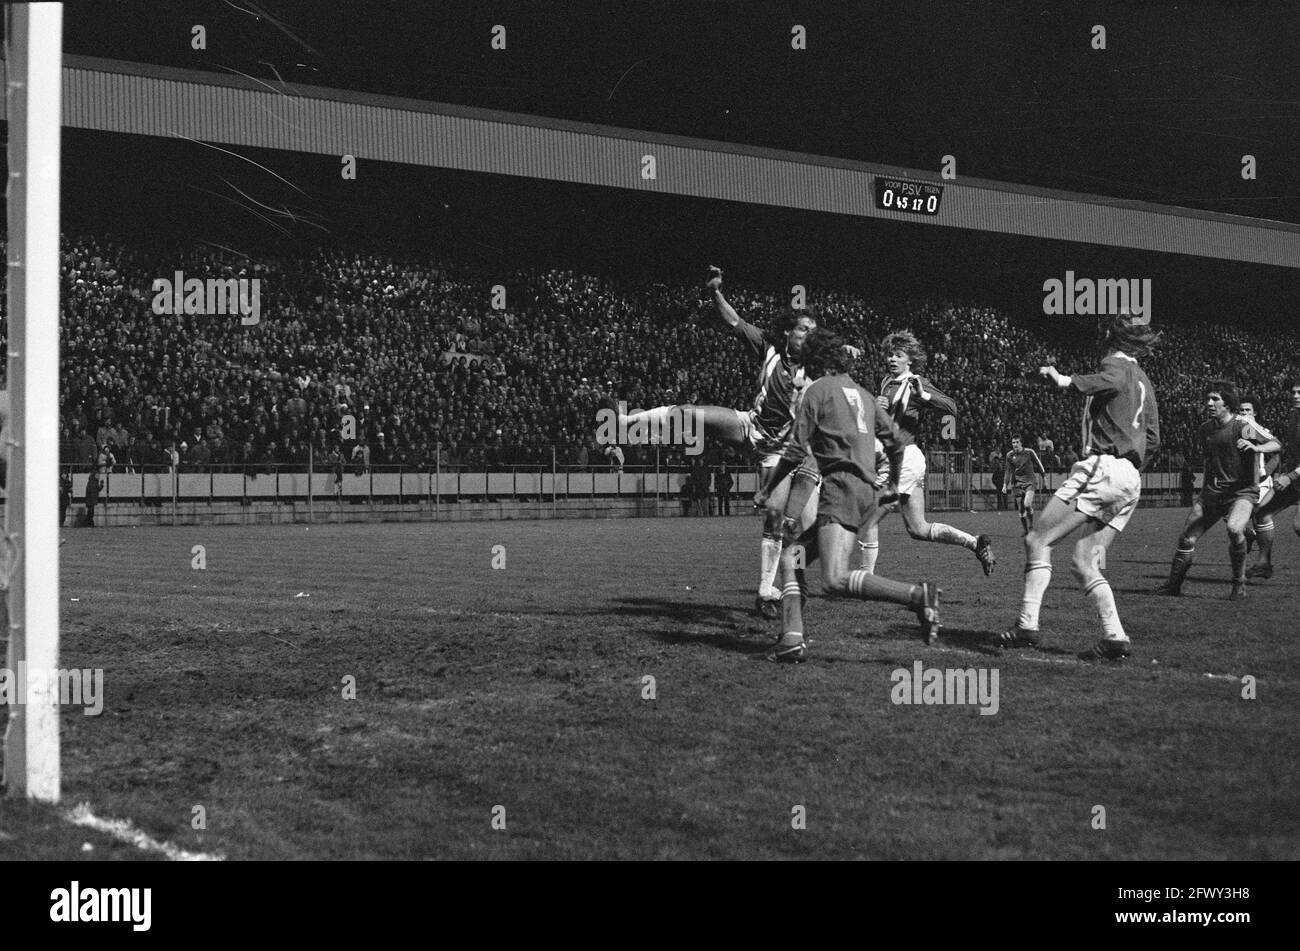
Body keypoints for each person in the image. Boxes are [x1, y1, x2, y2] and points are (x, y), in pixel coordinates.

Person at [606, 266, 820, 616]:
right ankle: (626, 422)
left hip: (787, 451)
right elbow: (734, 321)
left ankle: (782, 582)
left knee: (796, 526)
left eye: (812, 330)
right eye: (802, 328)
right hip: (751, 428)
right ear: (787, 332)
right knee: (692, 412)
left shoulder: (818, 369)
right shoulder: (769, 349)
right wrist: (716, 292)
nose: (807, 335)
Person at [754, 328, 941, 662]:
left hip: (841, 489)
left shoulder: (818, 391)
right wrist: (892, 485)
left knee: (835, 578)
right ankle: (792, 638)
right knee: (791, 557)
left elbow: (796, 452)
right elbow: (897, 441)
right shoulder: (863, 394)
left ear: (815, 360)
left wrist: (768, 489)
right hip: (865, 490)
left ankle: (917, 595)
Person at [1001, 314, 1161, 661]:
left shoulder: (1115, 364)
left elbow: (1111, 380)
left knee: (1036, 539)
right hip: (1130, 478)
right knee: (1084, 560)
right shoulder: (1144, 379)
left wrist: (1062, 379)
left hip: (1103, 467)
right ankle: (1115, 637)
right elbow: (1154, 438)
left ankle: (1027, 625)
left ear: (1109, 337)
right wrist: (1128, 468)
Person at [855, 331, 995, 576]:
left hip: (905, 459)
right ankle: (975, 543)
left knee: (868, 515)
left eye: (898, 355)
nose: (892, 359)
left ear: (910, 360)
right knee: (918, 529)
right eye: (890, 354)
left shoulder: (915, 382)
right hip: (896, 459)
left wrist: (924, 396)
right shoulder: (887, 381)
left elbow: (952, 407)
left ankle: (865, 580)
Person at [1155, 381, 1269, 601]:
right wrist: (1204, 492)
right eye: (1207, 398)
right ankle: (1173, 586)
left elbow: (1274, 445)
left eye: (1215, 398)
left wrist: (1257, 453)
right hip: (1213, 493)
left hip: (1241, 493)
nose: (1209, 403)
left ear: (1228, 403)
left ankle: (1239, 585)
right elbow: (1209, 463)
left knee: (1235, 530)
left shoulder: (1243, 426)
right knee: (1187, 539)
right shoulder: (1205, 429)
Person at [1242, 380, 1300, 579]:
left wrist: (1290, 476)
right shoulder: (1293, 416)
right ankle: (1264, 564)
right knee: (1262, 514)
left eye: (1299, 392)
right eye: (1293, 392)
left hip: (1294, 477)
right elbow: (1287, 450)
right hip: (1294, 477)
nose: (1295, 395)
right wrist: (1282, 472)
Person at [1235, 394, 1281, 571]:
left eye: (1248, 410)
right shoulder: (1234, 431)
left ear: (1255, 413)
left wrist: (1266, 472)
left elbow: (1276, 454)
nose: (1245, 413)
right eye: (1241, 410)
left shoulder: (1261, 431)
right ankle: (1250, 535)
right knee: (1227, 513)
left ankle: (1264, 561)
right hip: (1240, 483)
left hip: (1260, 483)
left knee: (1258, 517)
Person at [1002, 436, 1047, 536]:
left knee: (1027, 504)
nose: (1015, 444)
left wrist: (1044, 478)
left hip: (1030, 482)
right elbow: (1007, 471)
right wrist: (1005, 485)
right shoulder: (1009, 455)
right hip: (1017, 484)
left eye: (1017, 442)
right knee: (1021, 509)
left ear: (1021, 443)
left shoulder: (1029, 452)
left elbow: (1039, 465)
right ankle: (1026, 530)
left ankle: (1031, 526)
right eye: (1013, 442)